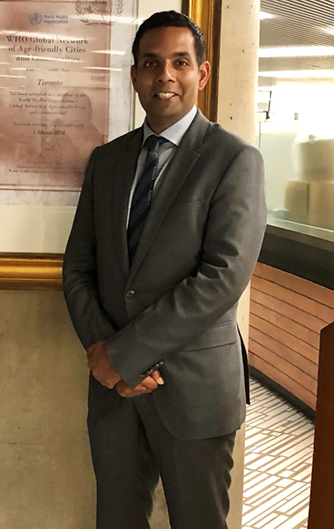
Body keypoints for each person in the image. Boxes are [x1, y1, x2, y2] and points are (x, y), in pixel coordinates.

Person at [63, 11, 266, 529]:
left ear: (202, 73)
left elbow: (222, 277)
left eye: (180, 62)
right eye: (151, 63)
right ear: (134, 75)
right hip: (114, 396)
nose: (165, 76)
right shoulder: (107, 161)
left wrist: (126, 356)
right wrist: (105, 356)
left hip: (194, 391)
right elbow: (78, 268)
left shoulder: (234, 159)